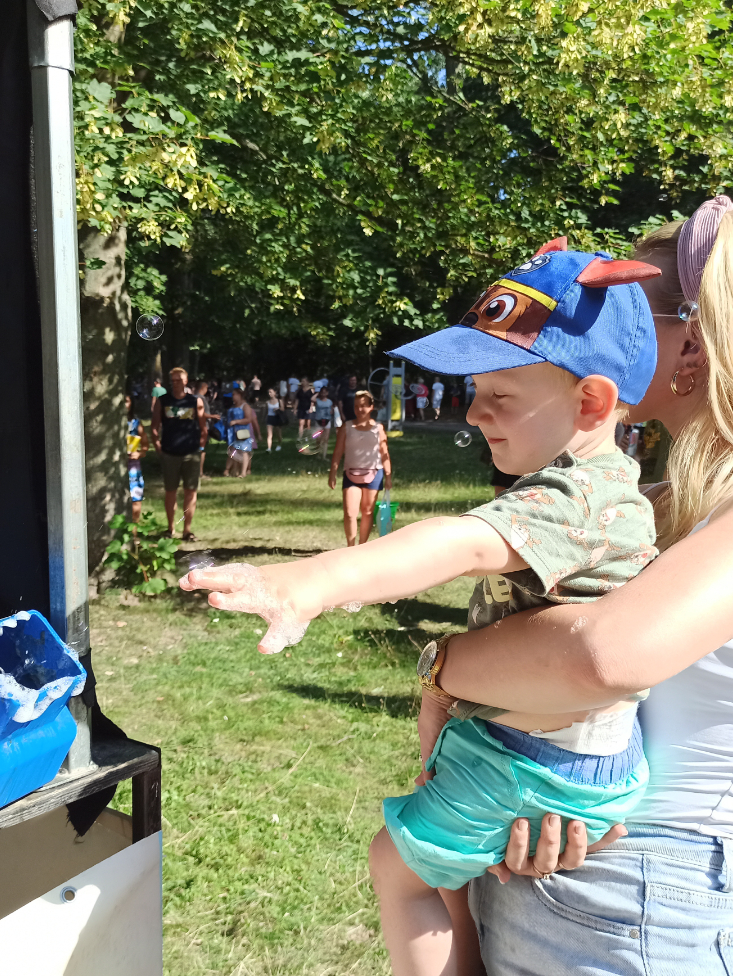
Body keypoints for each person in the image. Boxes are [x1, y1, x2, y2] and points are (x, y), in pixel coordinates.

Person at [418, 198, 733, 974]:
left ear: (696, 342)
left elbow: (600, 655)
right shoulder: (651, 507)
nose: (606, 324)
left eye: (633, 306)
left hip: (646, 905)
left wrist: (442, 668)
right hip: (559, 877)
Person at [181, 242, 664, 976]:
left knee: (394, 868)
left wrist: (311, 582)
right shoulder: (596, 487)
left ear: (592, 402)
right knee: (447, 878)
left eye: (499, 394)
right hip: (559, 754)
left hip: (534, 761)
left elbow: (457, 543)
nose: (473, 413)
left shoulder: (578, 497)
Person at [150, 366, 209, 541]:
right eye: (173, 380)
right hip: (169, 453)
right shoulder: (163, 401)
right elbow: (154, 427)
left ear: (185, 381)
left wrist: (200, 446)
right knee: (171, 491)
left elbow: (203, 427)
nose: (176, 383)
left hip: (191, 453)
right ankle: (170, 528)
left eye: (179, 380)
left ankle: (187, 530)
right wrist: (158, 446)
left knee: (191, 492)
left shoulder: (195, 401)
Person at [327, 391, 391, 546]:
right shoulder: (346, 427)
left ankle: (362, 546)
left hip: (374, 473)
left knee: (367, 512)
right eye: (356, 406)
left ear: (371, 407)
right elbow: (338, 451)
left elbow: (384, 453)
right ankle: (350, 546)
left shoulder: (378, 428)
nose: (359, 409)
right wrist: (333, 473)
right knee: (350, 513)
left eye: (363, 406)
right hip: (351, 474)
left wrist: (388, 476)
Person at [224, 389, 258, 478]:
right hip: (233, 433)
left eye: (234, 394)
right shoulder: (233, 406)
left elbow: (248, 419)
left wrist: (236, 422)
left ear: (240, 395)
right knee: (234, 451)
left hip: (243, 433)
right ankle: (235, 471)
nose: (233, 396)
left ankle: (243, 472)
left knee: (244, 451)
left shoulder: (245, 406)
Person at [124, 394, 145, 522]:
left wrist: (139, 453)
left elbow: (146, 445)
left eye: (126, 401)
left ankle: (134, 534)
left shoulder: (135, 423)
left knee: (135, 499)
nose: (124, 405)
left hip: (132, 466)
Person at [312, 386, 336, 459]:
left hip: (327, 420)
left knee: (326, 439)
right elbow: (312, 399)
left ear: (327, 393)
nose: (323, 394)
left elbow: (332, 409)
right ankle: (318, 454)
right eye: (322, 392)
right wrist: (317, 393)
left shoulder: (330, 401)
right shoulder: (317, 400)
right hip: (318, 420)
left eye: (325, 392)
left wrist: (332, 411)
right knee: (318, 438)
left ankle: (324, 456)